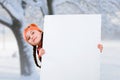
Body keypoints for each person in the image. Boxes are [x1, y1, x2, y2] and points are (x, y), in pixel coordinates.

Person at [23, 23, 103, 68]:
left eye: (32, 32)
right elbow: (48, 66)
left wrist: (94, 47)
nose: (32, 37)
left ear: (40, 31)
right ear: (30, 43)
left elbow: (73, 43)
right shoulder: (39, 49)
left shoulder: (53, 36)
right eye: (29, 38)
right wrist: (42, 56)